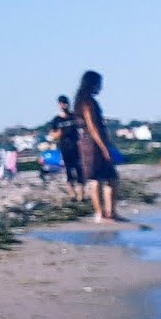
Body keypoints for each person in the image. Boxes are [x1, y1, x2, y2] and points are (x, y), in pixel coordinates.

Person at [74, 70, 120, 222]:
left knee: (100, 178)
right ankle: (104, 212)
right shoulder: (87, 102)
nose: (100, 87)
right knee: (106, 177)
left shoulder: (81, 101)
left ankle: (104, 212)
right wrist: (104, 147)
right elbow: (92, 126)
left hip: (86, 142)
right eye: (99, 84)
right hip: (92, 144)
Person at [49, 95, 85, 200]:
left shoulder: (74, 117)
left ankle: (81, 195)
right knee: (69, 172)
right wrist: (58, 134)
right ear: (59, 105)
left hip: (76, 147)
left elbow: (82, 127)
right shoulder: (56, 120)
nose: (64, 105)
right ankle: (72, 194)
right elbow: (52, 134)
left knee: (79, 171)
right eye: (62, 103)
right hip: (65, 148)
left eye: (65, 103)